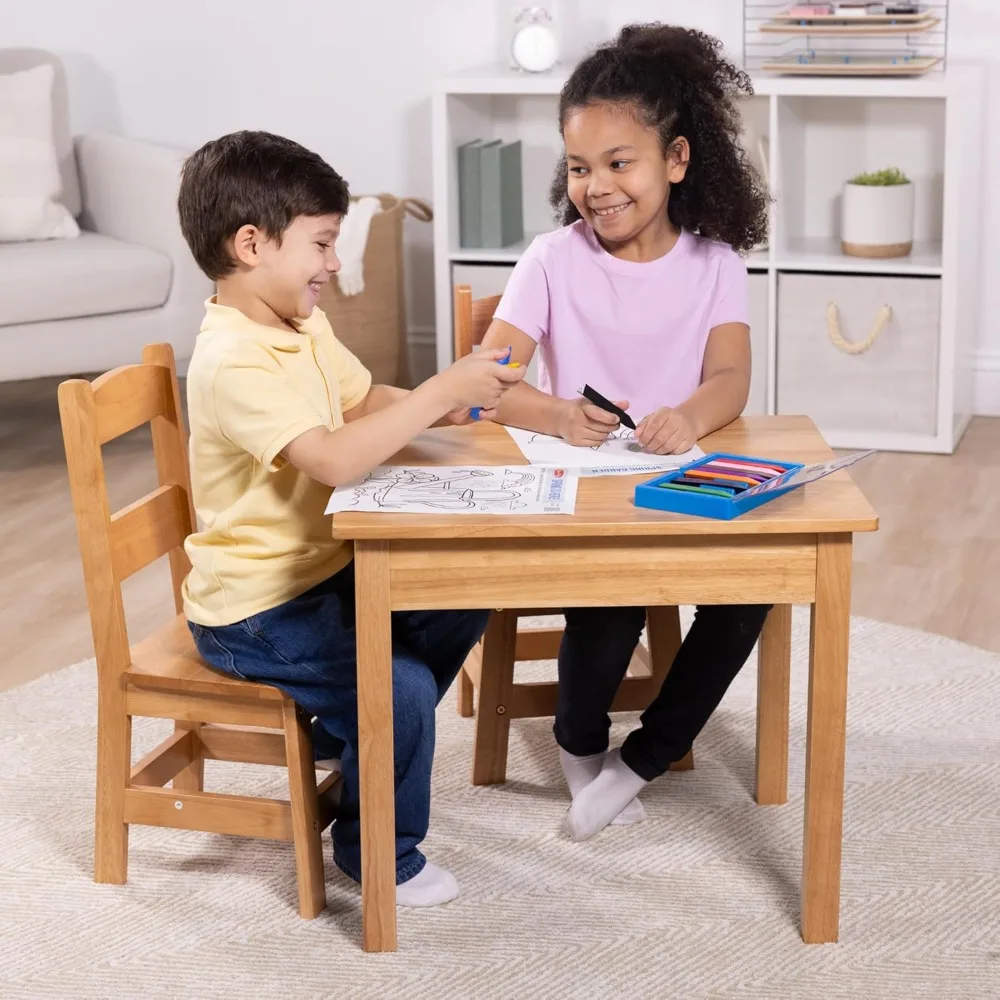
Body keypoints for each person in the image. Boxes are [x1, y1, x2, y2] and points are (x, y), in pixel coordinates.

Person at [176, 130, 525, 905]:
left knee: (463, 589)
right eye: (324, 243)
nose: (336, 262)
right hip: (255, 609)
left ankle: (353, 737)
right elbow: (334, 457)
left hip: (321, 574)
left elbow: (363, 403)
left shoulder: (299, 324)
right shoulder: (233, 359)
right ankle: (378, 856)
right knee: (397, 692)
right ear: (251, 244)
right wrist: (438, 393)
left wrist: (452, 406)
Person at [479, 24, 773, 841]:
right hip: (591, 496)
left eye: (619, 163)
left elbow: (730, 380)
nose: (597, 187)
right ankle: (579, 745)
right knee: (609, 607)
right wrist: (556, 413)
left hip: (680, 482)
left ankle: (643, 757)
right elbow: (487, 384)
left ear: (676, 159)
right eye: (579, 167)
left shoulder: (716, 266)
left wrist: (690, 416)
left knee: (754, 588)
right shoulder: (550, 259)